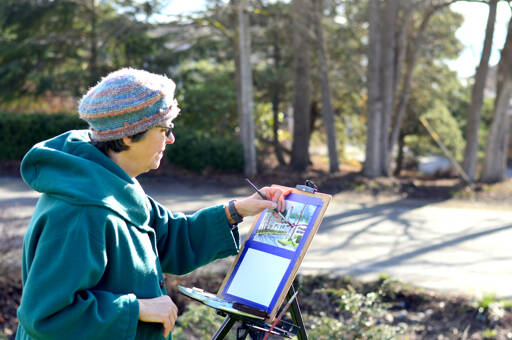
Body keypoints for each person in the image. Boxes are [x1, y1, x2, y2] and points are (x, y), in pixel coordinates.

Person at [16, 68, 289, 340]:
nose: (170, 139)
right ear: (127, 135)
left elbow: (167, 237)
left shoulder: (111, 181)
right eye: (164, 129)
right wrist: (136, 309)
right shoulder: (81, 211)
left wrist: (236, 211)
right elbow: (46, 315)